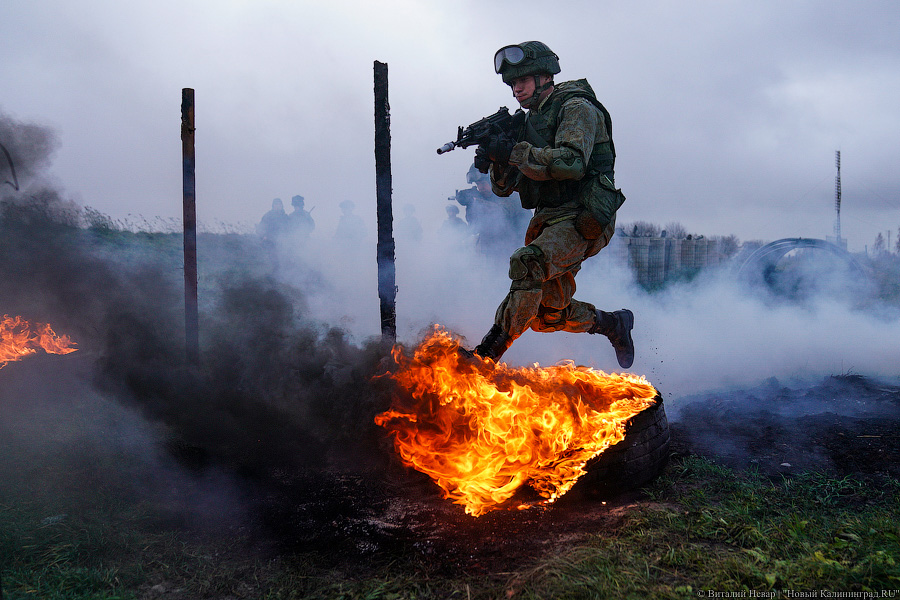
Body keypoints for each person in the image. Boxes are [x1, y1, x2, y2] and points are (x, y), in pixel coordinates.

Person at [467, 41, 635, 369]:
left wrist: (514, 151)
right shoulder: (528, 123)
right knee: (546, 316)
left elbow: (573, 163)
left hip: (584, 213)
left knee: (528, 264)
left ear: (545, 76)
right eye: (513, 84)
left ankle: (484, 359)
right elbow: (504, 190)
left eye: (523, 81)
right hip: (549, 219)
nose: (517, 89)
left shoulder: (574, 106)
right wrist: (496, 158)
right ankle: (613, 324)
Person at [454, 163, 526, 259]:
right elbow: (475, 226)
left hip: (513, 249)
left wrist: (479, 202)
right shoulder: (481, 198)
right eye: (478, 184)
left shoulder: (511, 195)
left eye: (483, 183)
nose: (481, 187)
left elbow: (502, 211)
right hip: (491, 251)